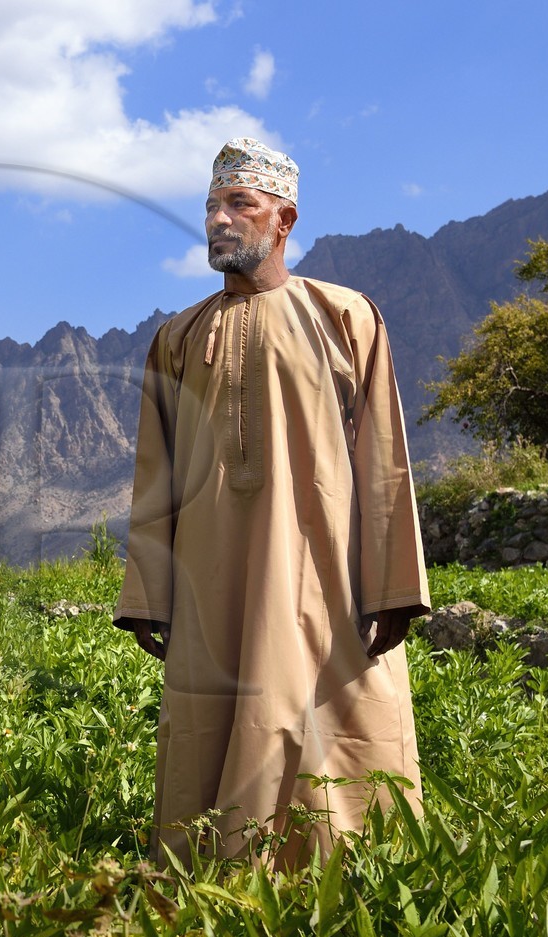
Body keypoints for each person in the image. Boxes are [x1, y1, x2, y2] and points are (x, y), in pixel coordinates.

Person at [114, 137, 430, 871]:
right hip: (209, 579)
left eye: (239, 205)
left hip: (326, 575)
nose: (219, 221)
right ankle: (217, 886)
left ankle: (354, 879)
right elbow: (154, 473)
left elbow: (384, 456)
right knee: (212, 726)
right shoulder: (177, 338)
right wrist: (149, 593)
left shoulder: (346, 317)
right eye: (211, 207)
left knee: (340, 723)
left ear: (283, 220)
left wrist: (391, 584)